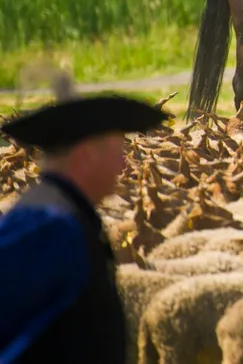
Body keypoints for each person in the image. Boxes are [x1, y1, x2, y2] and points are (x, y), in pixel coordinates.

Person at [0, 94, 172, 364]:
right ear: (86, 156)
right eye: (118, 152)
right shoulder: (48, 224)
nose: (123, 164)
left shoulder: (69, 216)